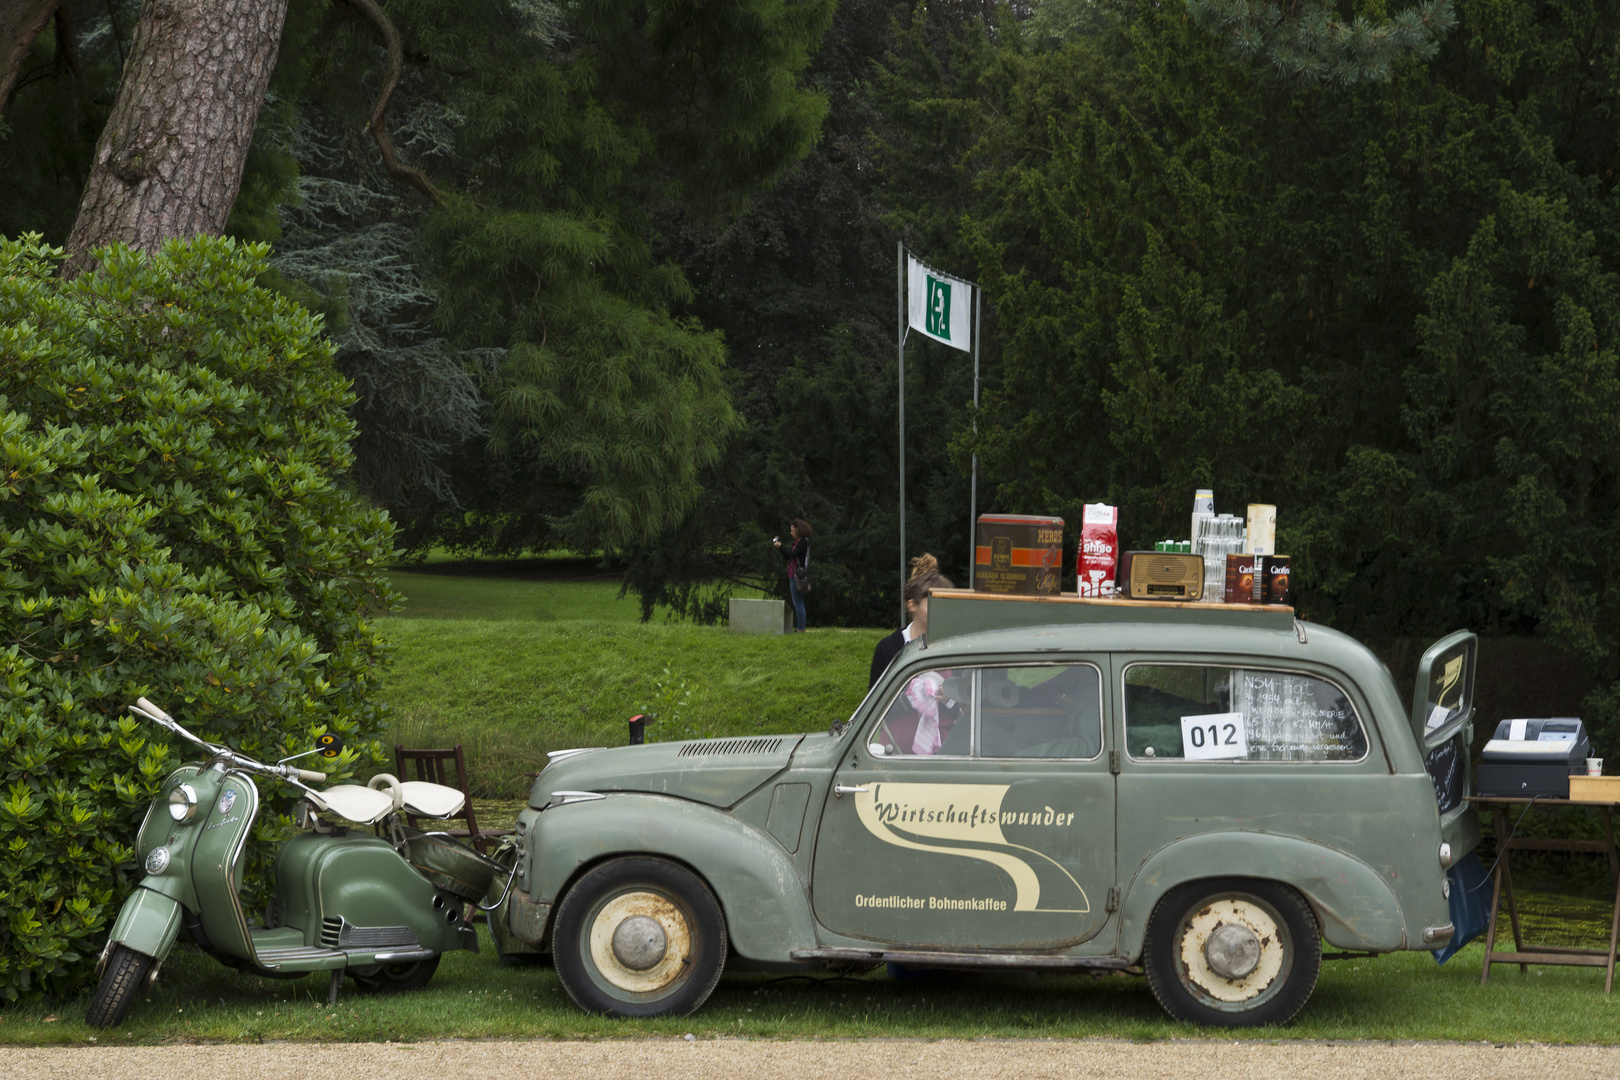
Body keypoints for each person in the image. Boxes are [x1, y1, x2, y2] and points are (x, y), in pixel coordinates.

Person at [868, 553, 953, 689]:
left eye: (944, 604)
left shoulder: (955, 648)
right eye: (933, 604)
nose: (940, 611)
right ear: (912, 605)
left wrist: (950, 698)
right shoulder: (888, 650)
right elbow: (876, 704)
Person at [773, 518, 812, 632]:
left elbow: (792, 554)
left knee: (797, 602)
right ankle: (800, 627)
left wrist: (780, 547)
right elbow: (788, 556)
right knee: (797, 602)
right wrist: (780, 548)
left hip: (797, 575)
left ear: (799, 530)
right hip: (794, 573)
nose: (791, 533)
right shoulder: (799, 542)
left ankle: (801, 628)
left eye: (793, 530)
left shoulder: (803, 542)